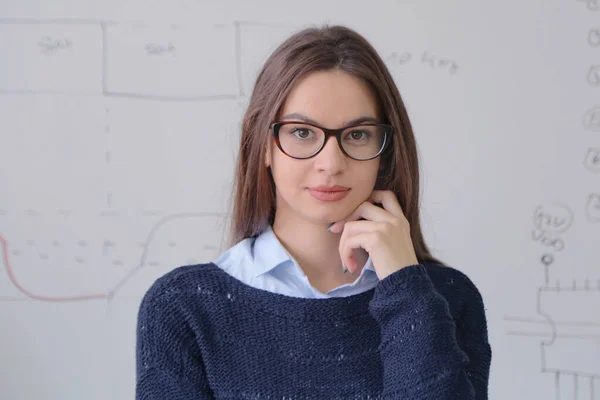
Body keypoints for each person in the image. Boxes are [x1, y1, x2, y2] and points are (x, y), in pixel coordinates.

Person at [136, 24, 492, 399]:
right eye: (302, 133)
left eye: (357, 134)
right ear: (263, 146)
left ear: (384, 151)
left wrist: (404, 285)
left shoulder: (449, 299)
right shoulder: (183, 308)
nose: (330, 163)